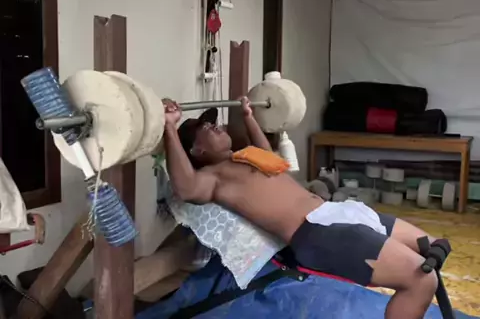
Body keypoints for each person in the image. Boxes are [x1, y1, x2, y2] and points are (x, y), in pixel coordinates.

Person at [163, 97, 440, 319]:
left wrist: (249, 117)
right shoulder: (212, 177)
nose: (215, 127)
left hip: (335, 213)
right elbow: (186, 187)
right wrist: (169, 128)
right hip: (316, 233)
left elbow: (269, 157)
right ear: (197, 151)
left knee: (433, 245)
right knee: (421, 280)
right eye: (205, 129)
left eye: (213, 124)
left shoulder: (243, 157)